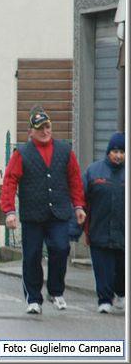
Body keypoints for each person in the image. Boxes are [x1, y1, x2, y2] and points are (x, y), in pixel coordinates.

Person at [0, 107, 86, 315]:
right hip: (33, 214)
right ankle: (33, 298)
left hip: (58, 211)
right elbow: (10, 181)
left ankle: (56, 291)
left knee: (60, 248)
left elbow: (74, 179)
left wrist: (79, 206)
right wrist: (10, 211)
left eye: (47, 127)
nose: (45, 131)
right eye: (39, 128)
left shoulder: (65, 151)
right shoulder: (22, 153)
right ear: (31, 131)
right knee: (32, 255)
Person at [83, 132, 125, 314]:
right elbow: (81, 200)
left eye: (122, 152)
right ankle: (104, 299)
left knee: (122, 269)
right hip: (99, 231)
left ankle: (122, 293)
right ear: (108, 151)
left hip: (124, 234)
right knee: (102, 270)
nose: (118, 155)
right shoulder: (93, 171)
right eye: (115, 151)